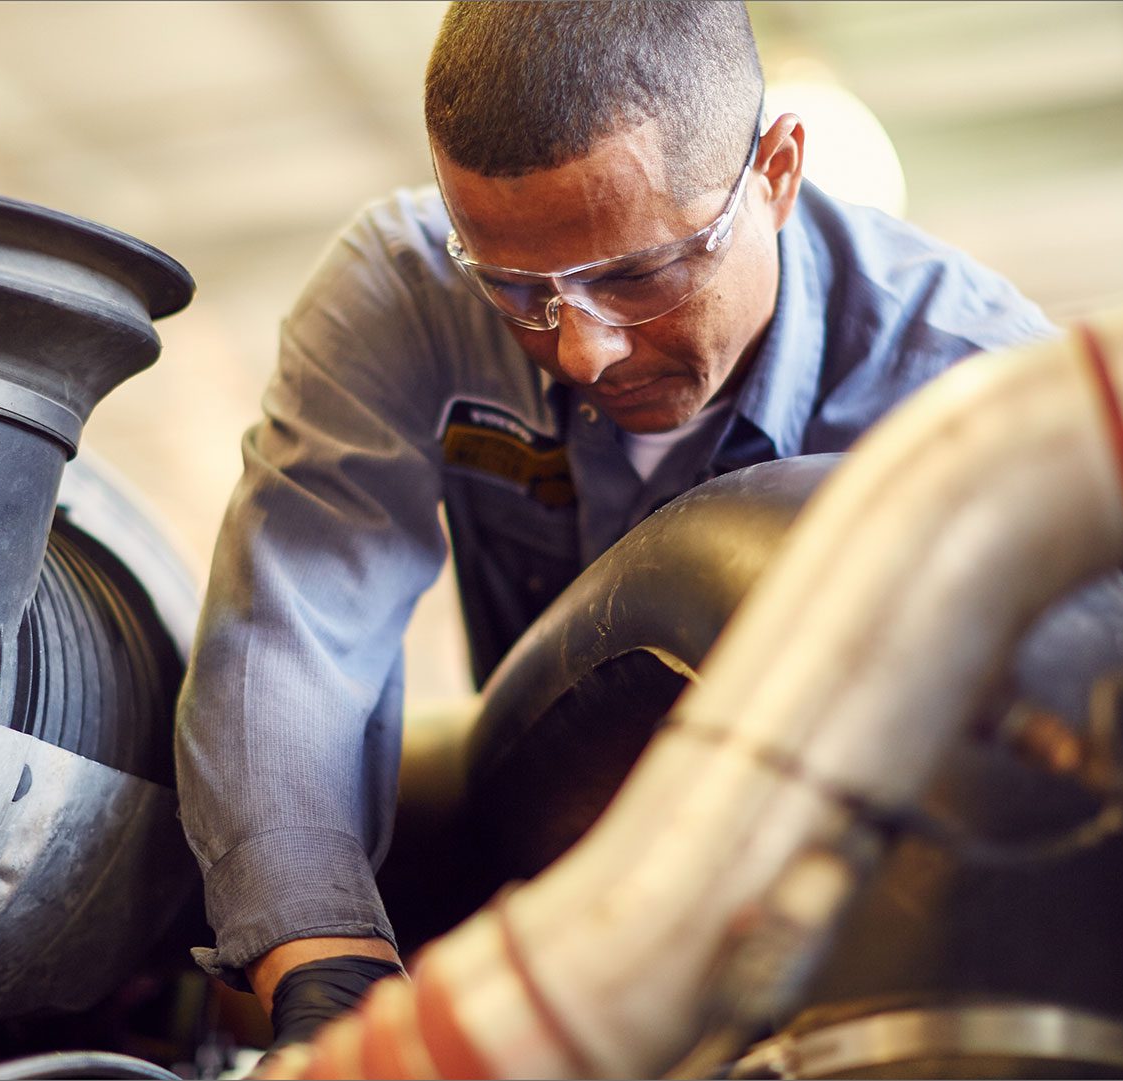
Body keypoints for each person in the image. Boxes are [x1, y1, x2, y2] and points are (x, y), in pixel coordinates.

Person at [175, 0, 1061, 1046]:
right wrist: (326, 965)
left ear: (774, 173)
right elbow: (294, 627)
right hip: (536, 892)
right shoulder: (407, 291)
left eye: (639, 277)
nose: (583, 352)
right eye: (517, 291)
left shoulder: (979, 388)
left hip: (858, 941)